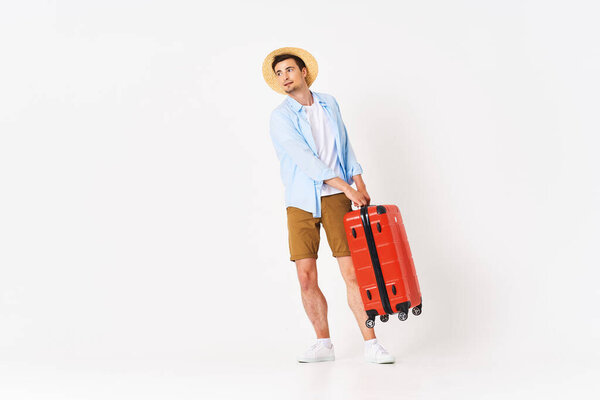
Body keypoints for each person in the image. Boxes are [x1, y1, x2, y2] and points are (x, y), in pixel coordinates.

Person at [263, 47, 395, 364]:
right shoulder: (280, 117)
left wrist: (358, 181)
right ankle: (323, 343)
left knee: (352, 273)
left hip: (337, 199)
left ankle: (372, 343)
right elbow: (306, 161)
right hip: (301, 201)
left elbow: (345, 146)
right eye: (279, 73)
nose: (284, 77)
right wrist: (348, 188)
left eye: (289, 70)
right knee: (306, 276)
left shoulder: (328, 104)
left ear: (304, 71)